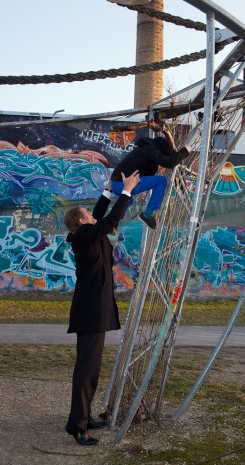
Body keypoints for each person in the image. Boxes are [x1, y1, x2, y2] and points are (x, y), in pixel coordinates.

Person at [64, 170, 140, 446]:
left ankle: (81, 419)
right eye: (88, 214)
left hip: (94, 309)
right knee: (86, 370)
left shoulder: (86, 234)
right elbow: (108, 220)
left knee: (90, 369)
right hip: (90, 311)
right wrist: (126, 191)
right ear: (81, 222)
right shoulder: (86, 235)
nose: (92, 215)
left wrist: (108, 190)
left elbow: (98, 215)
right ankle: (77, 426)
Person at [110, 136, 191, 230]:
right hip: (122, 184)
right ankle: (148, 214)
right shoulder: (150, 149)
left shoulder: (143, 149)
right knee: (162, 181)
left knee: (128, 200)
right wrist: (185, 151)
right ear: (160, 150)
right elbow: (168, 162)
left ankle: (112, 223)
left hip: (116, 184)